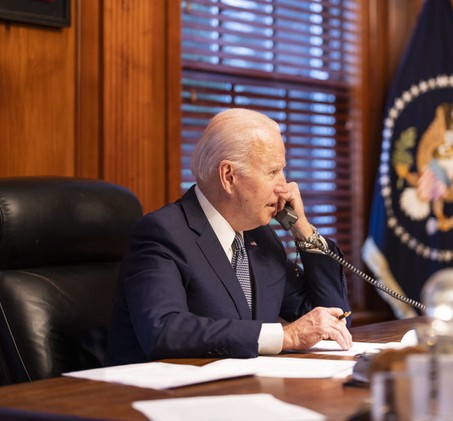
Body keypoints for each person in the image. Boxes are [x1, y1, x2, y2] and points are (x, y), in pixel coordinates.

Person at [106, 108, 352, 364]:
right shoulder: (162, 233)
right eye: (272, 172)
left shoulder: (261, 237)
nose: (285, 187)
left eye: (283, 170)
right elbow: (164, 330)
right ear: (229, 176)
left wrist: (302, 229)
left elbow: (333, 323)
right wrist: (285, 336)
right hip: (153, 396)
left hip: (242, 391)